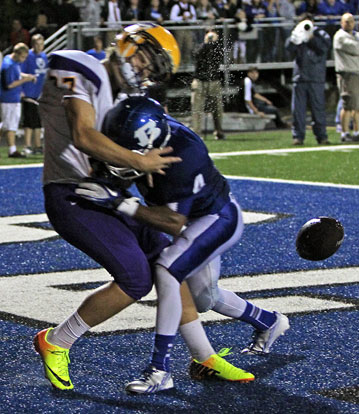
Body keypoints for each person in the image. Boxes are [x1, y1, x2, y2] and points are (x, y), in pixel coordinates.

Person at [32, 23, 251, 392]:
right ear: (129, 43)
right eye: (148, 58)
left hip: (111, 195)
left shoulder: (126, 102)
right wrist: (142, 162)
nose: (145, 70)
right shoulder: (82, 66)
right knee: (135, 278)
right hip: (74, 194)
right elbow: (84, 135)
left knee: (170, 265)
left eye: (153, 69)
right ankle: (57, 341)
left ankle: (204, 356)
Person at [77, 96, 290, 394]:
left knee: (166, 270)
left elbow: (173, 222)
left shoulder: (183, 155)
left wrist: (120, 204)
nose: (120, 158)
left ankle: (159, 370)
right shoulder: (154, 132)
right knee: (205, 298)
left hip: (215, 219)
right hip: (192, 219)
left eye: (127, 152)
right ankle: (269, 322)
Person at [286, 15, 331, 145]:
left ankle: (321, 136)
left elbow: (323, 49)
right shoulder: (298, 34)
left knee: (318, 109)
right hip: (300, 77)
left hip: (316, 77)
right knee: (298, 110)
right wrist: (294, 37)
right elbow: (289, 48)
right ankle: (298, 136)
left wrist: (311, 38)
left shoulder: (321, 34)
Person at [0, 43, 37, 158]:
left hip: (13, 98)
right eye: (23, 57)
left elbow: (16, 75)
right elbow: (10, 85)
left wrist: (27, 76)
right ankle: (12, 150)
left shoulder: (12, 61)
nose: (23, 60)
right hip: (8, 99)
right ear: (16, 54)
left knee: (7, 125)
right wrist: (25, 80)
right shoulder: (9, 65)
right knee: (10, 126)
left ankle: (12, 149)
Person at [191, 30, 226, 140]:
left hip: (214, 81)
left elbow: (220, 56)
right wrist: (207, 43)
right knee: (197, 109)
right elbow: (197, 54)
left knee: (218, 109)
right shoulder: (200, 47)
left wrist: (213, 43)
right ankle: (196, 132)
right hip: (200, 81)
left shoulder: (217, 48)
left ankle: (219, 131)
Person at [21, 34, 48, 155]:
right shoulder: (28, 56)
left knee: (38, 121)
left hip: (40, 94)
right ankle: (27, 145)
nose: (39, 47)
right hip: (29, 93)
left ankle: (38, 145)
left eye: (41, 44)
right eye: (37, 44)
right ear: (33, 44)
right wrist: (22, 90)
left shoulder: (44, 56)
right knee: (29, 121)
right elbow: (21, 72)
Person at [333, 12, 359, 142]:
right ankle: (344, 133)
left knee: (357, 106)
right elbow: (356, 48)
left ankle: (356, 132)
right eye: (346, 21)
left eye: (351, 21)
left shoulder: (354, 35)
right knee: (348, 105)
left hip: (356, 72)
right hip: (347, 74)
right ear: (341, 23)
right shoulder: (340, 36)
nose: (349, 23)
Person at [170, 0, 197, 65]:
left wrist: (190, 18)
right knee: (179, 45)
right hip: (179, 28)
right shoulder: (176, 6)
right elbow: (172, 18)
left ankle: (186, 62)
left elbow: (194, 18)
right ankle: (178, 62)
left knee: (188, 46)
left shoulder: (191, 6)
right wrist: (182, 17)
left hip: (188, 28)